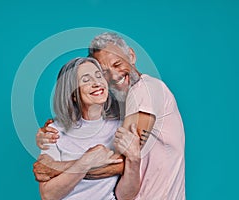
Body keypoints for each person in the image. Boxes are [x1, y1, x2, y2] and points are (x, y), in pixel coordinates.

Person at [34, 32, 185, 199]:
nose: (113, 76)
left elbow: (119, 164)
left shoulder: (147, 90)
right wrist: (48, 132)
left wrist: (54, 168)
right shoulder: (119, 107)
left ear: (132, 56)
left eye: (117, 64)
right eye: (103, 72)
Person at [37, 57, 141, 200]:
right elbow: (48, 195)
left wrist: (134, 160)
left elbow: (126, 196)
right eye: (86, 80)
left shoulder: (121, 127)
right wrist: (85, 161)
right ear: (72, 94)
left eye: (99, 76)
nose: (96, 83)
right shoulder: (53, 132)